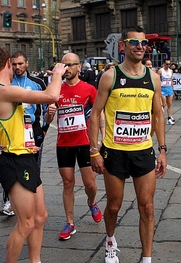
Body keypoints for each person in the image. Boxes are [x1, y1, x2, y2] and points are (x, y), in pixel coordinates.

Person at [88, 26, 167, 263]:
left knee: (148, 208)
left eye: (144, 43)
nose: (140, 47)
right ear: (123, 45)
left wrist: (162, 149)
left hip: (143, 151)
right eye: (135, 42)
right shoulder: (110, 76)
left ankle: (147, 258)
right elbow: (95, 114)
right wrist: (94, 151)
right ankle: (110, 241)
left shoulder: (153, 78)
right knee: (113, 206)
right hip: (115, 152)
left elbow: (158, 116)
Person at [0, 44, 67, 263]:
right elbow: (51, 95)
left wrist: (25, 143)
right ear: (8, 64)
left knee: (40, 217)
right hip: (15, 162)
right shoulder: (3, 91)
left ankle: (35, 261)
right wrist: (58, 73)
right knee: (26, 223)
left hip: (24, 156)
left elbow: (3, 128)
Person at [45, 53, 104, 241]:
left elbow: (99, 115)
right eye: (64, 65)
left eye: (71, 65)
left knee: (90, 184)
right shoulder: (55, 90)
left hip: (85, 143)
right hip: (64, 144)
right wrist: (49, 113)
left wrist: (102, 138)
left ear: (79, 67)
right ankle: (70, 222)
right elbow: (48, 120)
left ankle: (92, 201)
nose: (67, 68)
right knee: (68, 183)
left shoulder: (89, 89)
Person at [0, 51, 50, 217]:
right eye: (14, 64)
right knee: (11, 164)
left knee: (33, 165)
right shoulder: (8, 83)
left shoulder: (37, 82)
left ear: (27, 63)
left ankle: (33, 196)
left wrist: (44, 127)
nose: (17, 67)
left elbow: (48, 106)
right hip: (13, 130)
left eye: (20, 63)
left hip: (33, 128)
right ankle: (8, 201)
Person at [158, 58, 175, 125]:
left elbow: (171, 80)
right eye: (167, 64)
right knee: (164, 104)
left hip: (169, 88)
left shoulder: (171, 71)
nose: (168, 65)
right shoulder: (160, 71)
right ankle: (160, 116)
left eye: (169, 64)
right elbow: (158, 80)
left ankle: (169, 118)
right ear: (164, 64)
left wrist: (172, 88)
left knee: (170, 104)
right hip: (162, 89)